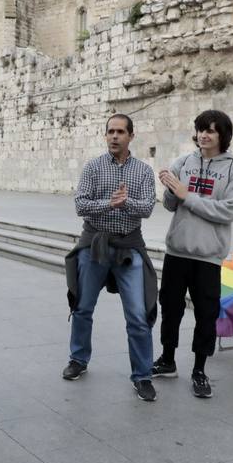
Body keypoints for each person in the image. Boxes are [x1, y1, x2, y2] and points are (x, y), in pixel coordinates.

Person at [63, 114, 160, 402]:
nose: (114, 136)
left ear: (131, 136)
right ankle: (78, 359)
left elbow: (147, 207)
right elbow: (81, 204)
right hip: (95, 245)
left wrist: (126, 202)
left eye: (120, 132)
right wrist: (110, 203)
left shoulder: (143, 171)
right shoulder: (93, 167)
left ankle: (142, 375)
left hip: (129, 248)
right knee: (82, 306)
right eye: (110, 132)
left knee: (138, 315)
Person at [154, 109, 233, 399]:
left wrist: (187, 196)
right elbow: (171, 206)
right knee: (170, 308)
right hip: (177, 250)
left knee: (206, 314)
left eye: (211, 130)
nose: (204, 135)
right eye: (200, 130)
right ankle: (167, 359)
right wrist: (170, 189)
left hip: (208, 255)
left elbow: (228, 211)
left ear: (223, 135)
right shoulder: (183, 162)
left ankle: (199, 370)